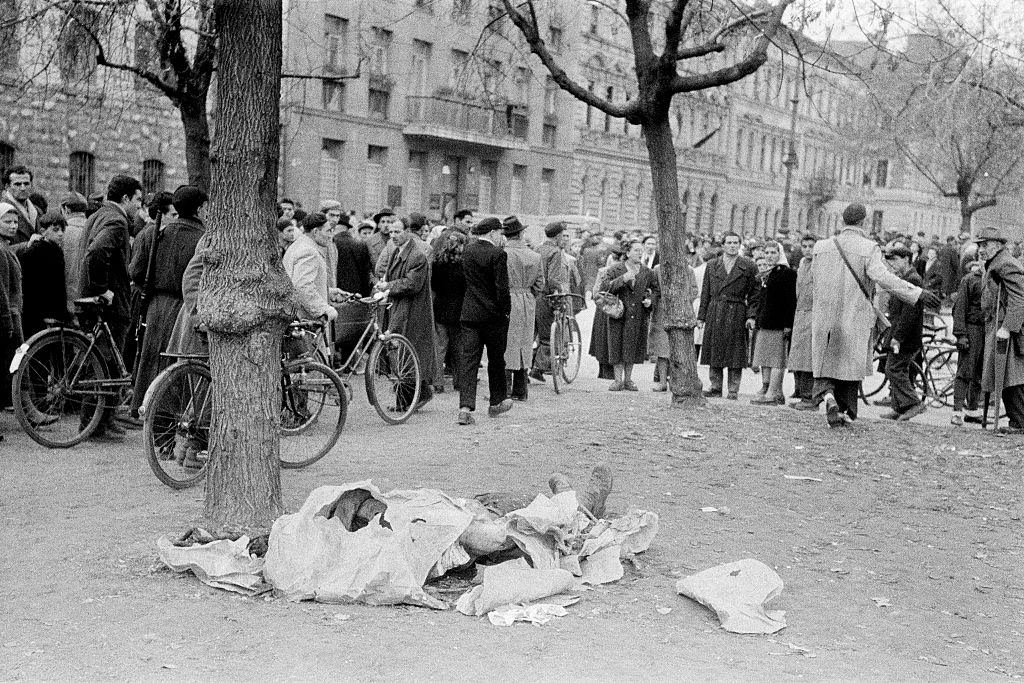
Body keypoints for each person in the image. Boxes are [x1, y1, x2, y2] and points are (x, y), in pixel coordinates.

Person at [811, 203, 938, 428]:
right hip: (854, 314)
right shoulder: (869, 248)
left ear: (843, 221)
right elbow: (884, 278)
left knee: (825, 360)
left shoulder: (821, 246)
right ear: (863, 222)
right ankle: (848, 411)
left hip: (825, 314)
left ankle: (828, 397)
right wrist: (916, 293)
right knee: (850, 364)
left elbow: (815, 279)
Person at [128, 185, 207, 419]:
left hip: (155, 304)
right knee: (177, 363)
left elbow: (138, 271)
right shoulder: (201, 238)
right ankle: (169, 418)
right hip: (183, 305)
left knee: (150, 357)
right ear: (200, 209)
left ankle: (145, 408)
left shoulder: (160, 233)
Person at [376, 216, 436, 409]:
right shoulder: (397, 251)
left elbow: (412, 284)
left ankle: (406, 402)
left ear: (408, 231)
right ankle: (420, 394)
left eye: (397, 232)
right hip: (400, 307)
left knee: (406, 350)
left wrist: (388, 286)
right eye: (391, 232)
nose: (392, 235)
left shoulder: (417, 255)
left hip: (413, 309)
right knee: (403, 351)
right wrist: (385, 288)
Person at [457, 217, 512, 425]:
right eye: (500, 233)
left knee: (469, 360)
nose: (502, 237)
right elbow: (502, 289)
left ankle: (465, 407)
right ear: (491, 233)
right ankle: (496, 401)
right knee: (496, 359)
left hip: (470, 313)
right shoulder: (498, 254)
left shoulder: (468, 251)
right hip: (493, 316)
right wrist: (505, 311)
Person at [697, 231, 758, 399]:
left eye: (735, 243)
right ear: (723, 245)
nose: (732, 246)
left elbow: (754, 294)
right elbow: (705, 293)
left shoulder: (748, 266)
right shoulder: (712, 265)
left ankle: (733, 389)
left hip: (737, 310)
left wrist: (751, 316)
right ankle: (715, 387)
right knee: (714, 348)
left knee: (735, 352)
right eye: (729, 243)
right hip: (715, 310)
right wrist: (701, 317)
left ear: (740, 245)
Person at [975, 226, 1024, 433]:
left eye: (984, 245)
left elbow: (1020, 298)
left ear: (997, 245)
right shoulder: (995, 262)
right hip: (996, 326)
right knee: (1002, 374)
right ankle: (1017, 420)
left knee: (1011, 376)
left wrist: (1007, 327)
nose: (981, 249)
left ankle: (1019, 422)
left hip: (1007, 330)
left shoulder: (1005, 264)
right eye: (980, 245)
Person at [879, 244, 927, 421]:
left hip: (906, 335)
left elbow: (909, 313)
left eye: (895, 260)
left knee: (895, 369)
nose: (892, 264)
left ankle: (913, 403)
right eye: (890, 260)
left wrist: (898, 337)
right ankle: (899, 407)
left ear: (906, 259)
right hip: (900, 332)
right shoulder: (905, 277)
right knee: (894, 368)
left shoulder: (912, 279)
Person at [604, 240, 658, 391]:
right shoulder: (616, 269)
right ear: (627, 253)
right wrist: (623, 279)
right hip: (619, 314)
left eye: (641, 250)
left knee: (632, 347)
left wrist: (650, 300)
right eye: (636, 250)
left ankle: (628, 380)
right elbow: (605, 288)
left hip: (638, 315)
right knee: (617, 345)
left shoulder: (647, 272)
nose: (640, 253)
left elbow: (655, 290)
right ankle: (617, 380)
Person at [502, 216, 544, 402]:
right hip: (527, 299)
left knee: (505, 344)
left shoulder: (502, 254)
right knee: (524, 343)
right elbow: (540, 284)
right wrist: (529, 293)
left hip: (507, 299)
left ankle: (505, 389)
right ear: (520, 234)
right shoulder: (535, 256)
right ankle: (521, 390)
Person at [750, 241, 797, 405]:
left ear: (779, 254)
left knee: (777, 360)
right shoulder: (766, 273)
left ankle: (772, 392)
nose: (770, 256)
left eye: (773, 253)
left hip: (778, 323)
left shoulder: (787, 273)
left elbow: (790, 301)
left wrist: (788, 324)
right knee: (765, 358)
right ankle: (770, 388)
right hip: (765, 321)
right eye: (767, 253)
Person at [16, 211, 69, 338]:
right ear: (43, 231)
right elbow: (33, 286)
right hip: (42, 315)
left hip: (47, 314)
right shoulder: (38, 251)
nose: (61, 234)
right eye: (55, 230)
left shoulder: (53, 249)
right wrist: (48, 314)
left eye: (62, 230)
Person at [283, 213, 341, 323]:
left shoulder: (298, 245)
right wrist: (323, 310)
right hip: (307, 321)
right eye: (328, 231)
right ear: (315, 232)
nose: (331, 235)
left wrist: (329, 291)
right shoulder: (309, 251)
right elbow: (302, 286)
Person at [531, 221, 569, 382]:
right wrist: (561, 293)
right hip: (546, 297)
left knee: (530, 334)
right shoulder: (556, 252)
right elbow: (553, 279)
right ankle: (538, 368)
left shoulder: (537, 249)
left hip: (532, 296)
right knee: (547, 336)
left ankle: (521, 367)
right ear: (558, 236)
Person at [431, 229, 467, 393]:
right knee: (458, 348)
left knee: (439, 347)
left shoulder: (438, 262)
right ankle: (459, 382)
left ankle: (438, 382)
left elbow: (434, 286)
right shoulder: (464, 265)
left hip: (440, 308)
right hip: (459, 309)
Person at [950, 257, 985, 425]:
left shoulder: (995, 279)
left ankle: (972, 410)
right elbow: (959, 307)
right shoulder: (970, 280)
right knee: (965, 372)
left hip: (988, 330)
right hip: (972, 330)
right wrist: (961, 334)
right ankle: (957, 411)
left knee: (979, 373)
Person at [0, 204, 24, 436]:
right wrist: (7, 319)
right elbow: (2, 291)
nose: (13, 226)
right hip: (5, 316)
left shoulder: (6, 248)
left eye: (15, 222)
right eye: (7, 222)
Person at [788, 234, 818, 410]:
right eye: (804, 246)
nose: (807, 250)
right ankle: (800, 392)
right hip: (800, 312)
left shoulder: (820, 265)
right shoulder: (802, 264)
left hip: (814, 313)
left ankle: (810, 398)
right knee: (799, 354)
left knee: (808, 356)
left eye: (811, 246)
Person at [1, 165, 40, 243]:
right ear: (7, 186)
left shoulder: (37, 211)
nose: (23, 188)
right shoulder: (2, 211)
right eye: (17, 184)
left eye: (26, 184)